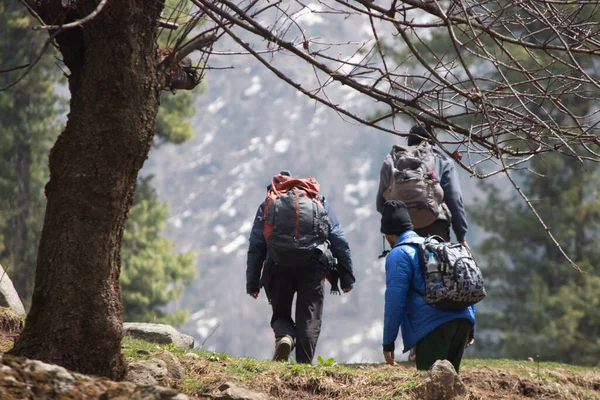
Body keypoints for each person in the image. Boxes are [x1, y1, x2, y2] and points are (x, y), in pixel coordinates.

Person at [246, 170, 355, 364]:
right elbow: (339, 240)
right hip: (313, 266)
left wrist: (252, 283)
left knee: (281, 313)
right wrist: (346, 278)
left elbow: (256, 245)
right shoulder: (318, 201)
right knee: (310, 318)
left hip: (278, 265)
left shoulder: (268, 204)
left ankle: (285, 336)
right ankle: (303, 366)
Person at [380, 199, 475, 373]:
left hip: (433, 326)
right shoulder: (438, 246)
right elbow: (463, 281)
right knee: (449, 385)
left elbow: (395, 301)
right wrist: (471, 325)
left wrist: (388, 342)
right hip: (462, 320)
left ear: (389, 234)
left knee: (431, 384)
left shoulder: (399, 254)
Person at [376, 124, 469, 246]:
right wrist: (461, 236)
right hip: (435, 226)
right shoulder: (441, 160)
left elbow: (380, 204)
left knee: (407, 264)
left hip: (402, 232)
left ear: (409, 142)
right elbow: (455, 199)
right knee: (436, 263)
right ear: (432, 141)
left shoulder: (393, 161)